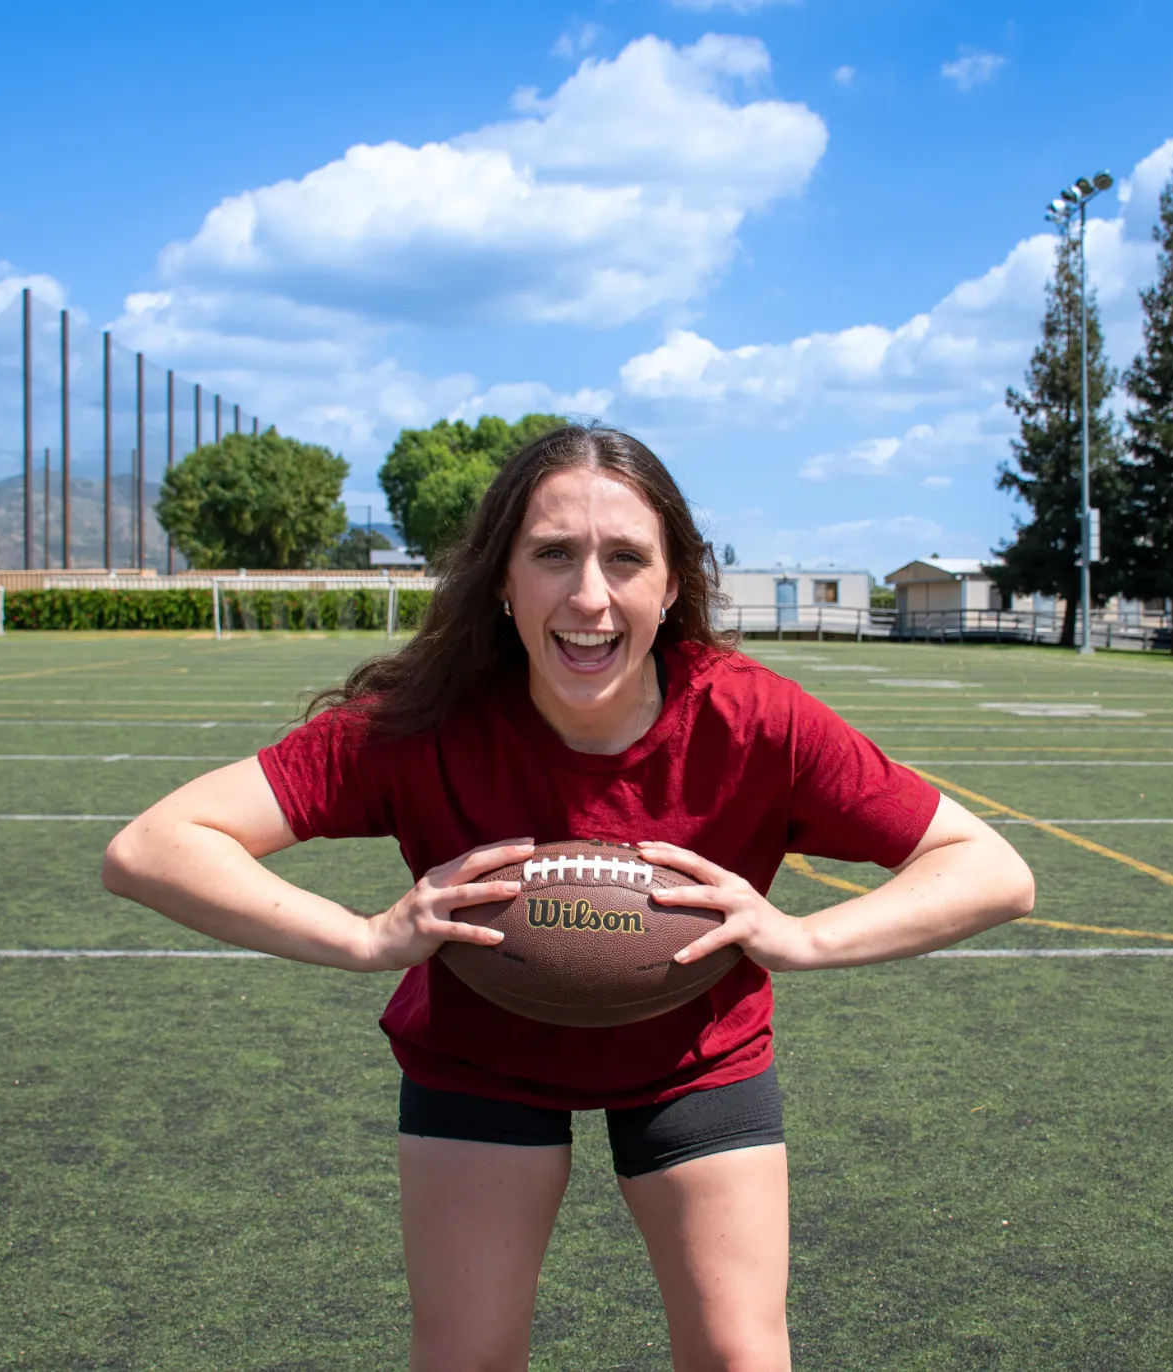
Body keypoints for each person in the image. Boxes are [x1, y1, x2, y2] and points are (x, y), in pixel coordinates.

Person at [101, 425, 1035, 1371]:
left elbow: (991, 869)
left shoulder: (754, 719)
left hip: (694, 1054)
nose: (589, 596)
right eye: (553, 555)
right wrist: (362, 937)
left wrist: (800, 938)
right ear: (501, 578)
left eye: (625, 558)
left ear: (672, 585)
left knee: (739, 1355)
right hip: (481, 1056)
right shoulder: (427, 719)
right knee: (467, 1356)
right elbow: (152, 847)